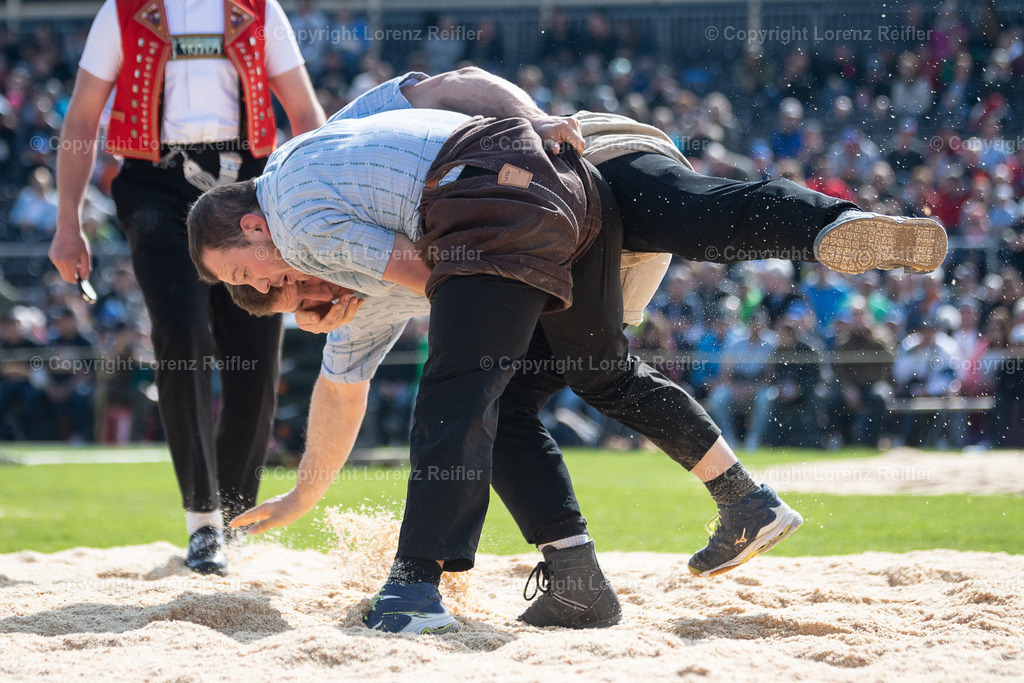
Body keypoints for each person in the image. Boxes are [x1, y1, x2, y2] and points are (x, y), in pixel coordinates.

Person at [189, 69, 947, 633]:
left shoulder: (318, 191)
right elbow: (340, 386)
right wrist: (303, 494)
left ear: (269, 245)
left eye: (269, 282)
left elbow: (456, 86)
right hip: (554, 234)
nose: (289, 293)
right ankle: (704, 515)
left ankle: (419, 580)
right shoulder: (351, 279)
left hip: (557, 164)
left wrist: (538, 119)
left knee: (481, 382)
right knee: (577, 373)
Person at [48, 0, 325, 576]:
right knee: (180, 334)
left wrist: (316, 218)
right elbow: (81, 120)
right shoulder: (122, 12)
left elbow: (304, 114)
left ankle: (235, 517)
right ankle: (203, 524)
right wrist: (68, 223)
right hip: (156, 189)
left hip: (249, 187)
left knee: (256, 357)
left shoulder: (259, 8)